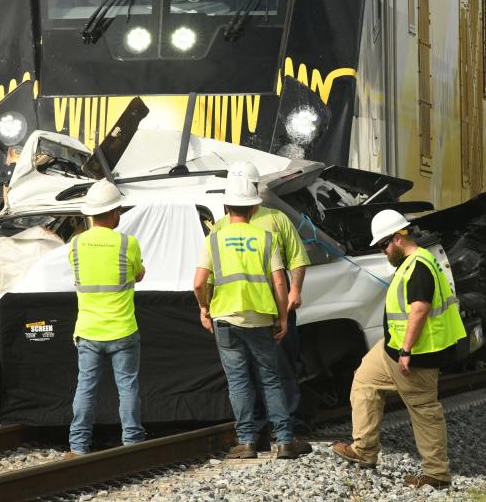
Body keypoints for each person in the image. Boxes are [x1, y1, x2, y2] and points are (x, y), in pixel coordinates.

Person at [332, 210, 466, 490]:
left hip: (415, 354)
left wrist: (407, 349)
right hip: (391, 349)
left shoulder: (418, 266)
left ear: (398, 237)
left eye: (384, 245)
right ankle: (364, 451)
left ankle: (437, 474)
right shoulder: (410, 263)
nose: (383, 252)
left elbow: (419, 310)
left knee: (424, 410)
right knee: (364, 382)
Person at [193, 168, 308, 459]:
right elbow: (279, 280)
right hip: (262, 316)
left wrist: (204, 308)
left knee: (239, 381)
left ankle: (246, 441)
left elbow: (199, 282)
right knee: (271, 377)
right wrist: (282, 316)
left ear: (226, 205)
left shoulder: (215, 236)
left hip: (226, 318)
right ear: (254, 204)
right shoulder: (265, 237)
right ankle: (284, 440)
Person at [66, 180, 146, 457]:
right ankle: (133, 444)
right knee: (128, 388)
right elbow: (138, 274)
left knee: (85, 388)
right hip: (123, 330)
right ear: (114, 212)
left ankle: (78, 447)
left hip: (88, 331)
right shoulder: (128, 243)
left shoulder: (75, 245)